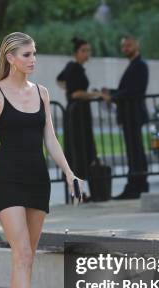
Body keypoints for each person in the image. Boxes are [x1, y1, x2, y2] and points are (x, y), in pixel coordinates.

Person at [0, 32, 84, 288]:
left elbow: (50, 139)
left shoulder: (41, 92)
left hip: (38, 181)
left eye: (34, 54)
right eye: (26, 54)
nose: (33, 59)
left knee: (26, 260)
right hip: (7, 182)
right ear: (10, 57)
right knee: (21, 253)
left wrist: (69, 173)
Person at [103, 35, 149, 199]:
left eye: (128, 45)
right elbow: (129, 89)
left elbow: (135, 91)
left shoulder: (140, 65)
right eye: (123, 46)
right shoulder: (134, 65)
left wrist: (113, 96)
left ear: (137, 45)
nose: (126, 49)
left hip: (134, 114)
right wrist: (112, 93)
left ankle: (137, 185)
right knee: (134, 151)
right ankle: (137, 184)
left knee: (135, 151)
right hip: (129, 114)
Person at [56, 37, 102, 196]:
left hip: (78, 113)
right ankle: (78, 190)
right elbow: (75, 93)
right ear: (76, 53)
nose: (87, 53)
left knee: (80, 149)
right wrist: (94, 95)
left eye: (88, 50)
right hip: (77, 114)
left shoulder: (73, 67)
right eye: (84, 50)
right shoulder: (74, 68)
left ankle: (79, 190)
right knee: (79, 149)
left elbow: (61, 81)